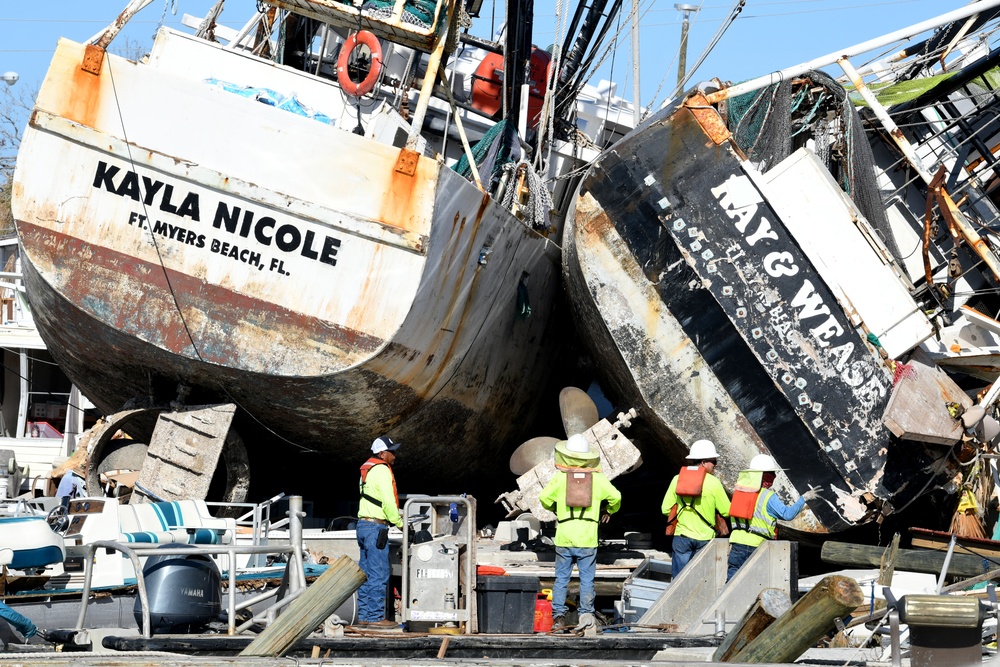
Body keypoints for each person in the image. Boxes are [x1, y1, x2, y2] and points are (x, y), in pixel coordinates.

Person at [539, 434, 621, 631]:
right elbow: (616, 497)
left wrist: (555, 509)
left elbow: (543, 498)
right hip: (587, 538)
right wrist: (608, 510)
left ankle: (558, 617)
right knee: (587, 580)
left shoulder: (560, 478)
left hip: (564, 536)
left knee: (561, 580)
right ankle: (586, 616)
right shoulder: (598, 479)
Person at [726, 454, 818, 581]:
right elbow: (787, 515)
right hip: (756, 546)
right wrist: (804, 498)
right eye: (772, 473)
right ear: (763, 475)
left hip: (736, 543)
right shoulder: (768, 496)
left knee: (731, 582)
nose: (774, 476)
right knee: (755, 583)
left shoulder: (739, 492)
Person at [661, 439, 730, 578]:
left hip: (682, 538)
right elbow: (726, 511)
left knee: (678, 580)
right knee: (700, 580)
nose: (715, 465)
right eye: (714, 462)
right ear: (704, 462)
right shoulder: (714, 482)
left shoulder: (677, 479)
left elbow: (665, 509)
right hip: (705, 539)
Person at [356, 435, 404, 628]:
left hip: (363, 526)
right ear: (382, 454)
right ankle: (376, 618)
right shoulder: (382, 470)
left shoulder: (366, 470)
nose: (394, 455)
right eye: (392, 452)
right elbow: (388, 501)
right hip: (376, 527)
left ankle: (364, 617)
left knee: (365, 573)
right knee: (379, 573)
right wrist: (399, 523)